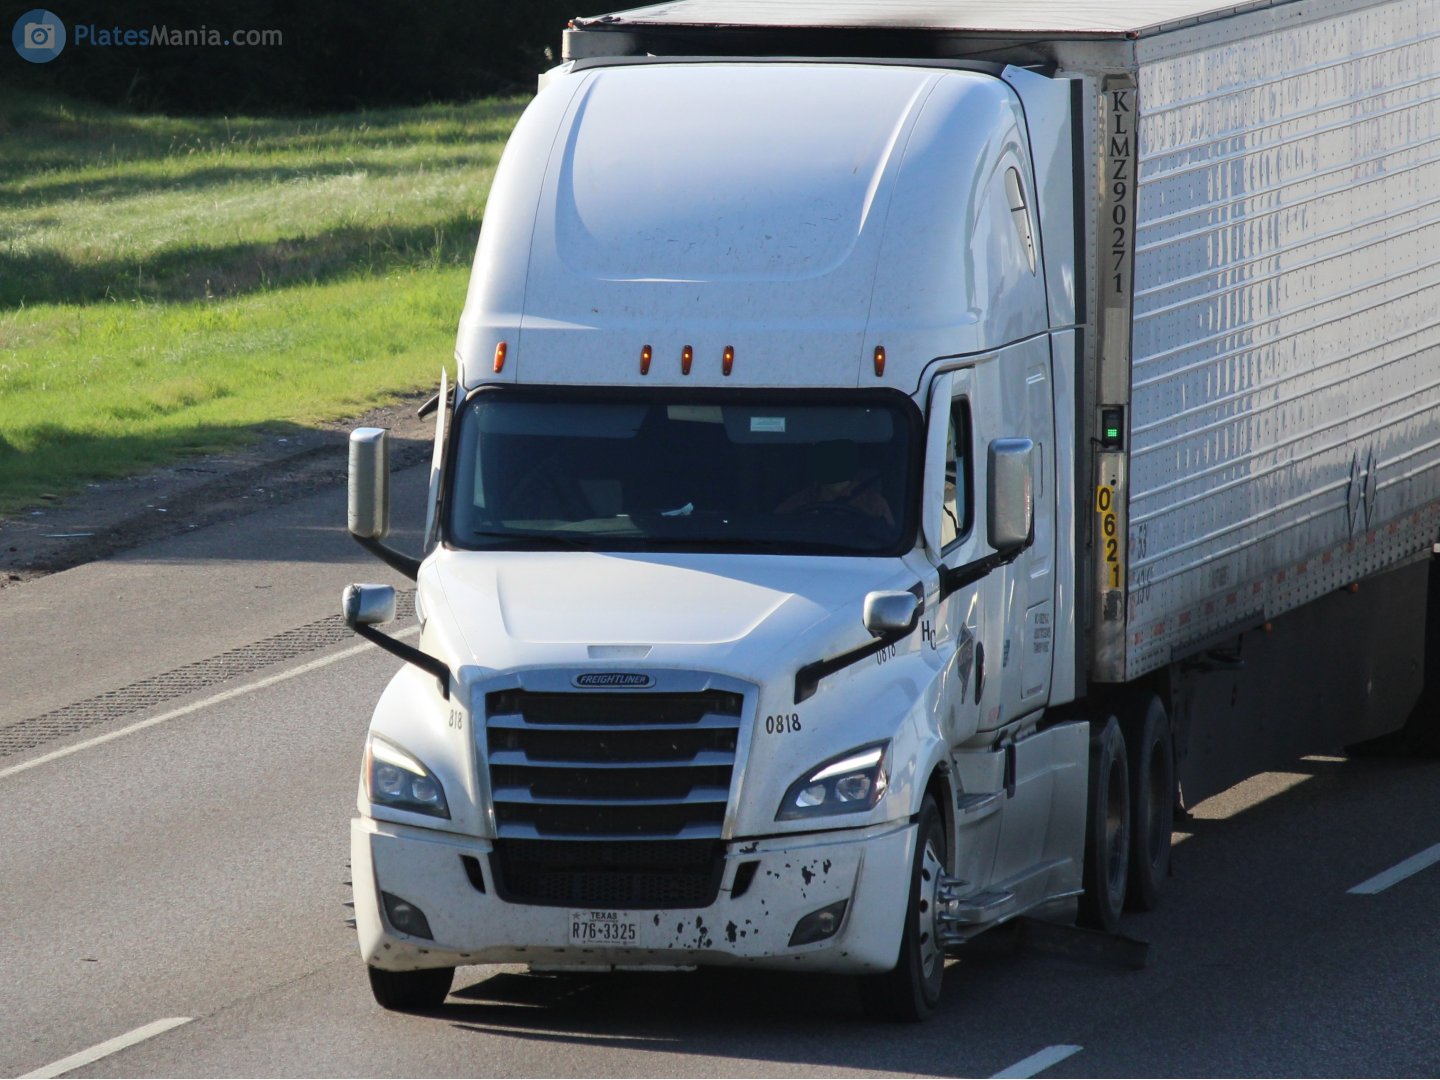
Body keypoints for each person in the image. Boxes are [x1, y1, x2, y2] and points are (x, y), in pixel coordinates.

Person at [775, 440, 895, 524]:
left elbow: (887, 537)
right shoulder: (801, 500)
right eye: (825, 458)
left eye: (837, 457)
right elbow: (778, 527)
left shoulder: (874, 504)